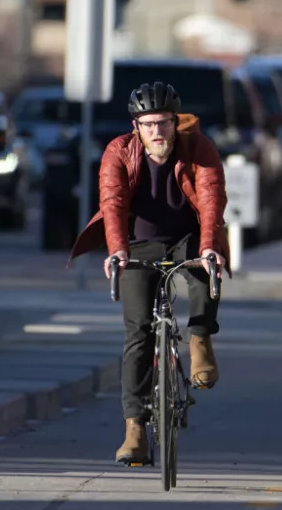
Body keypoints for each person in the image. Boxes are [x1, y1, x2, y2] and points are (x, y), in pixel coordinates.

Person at [67, 81, 230, 464]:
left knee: (206, 271)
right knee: (137, 332)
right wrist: (117, 251)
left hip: (188, 237)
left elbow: (210, 199)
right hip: (139, 244)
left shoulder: (199, 149)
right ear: (136, 127)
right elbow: (112, 201)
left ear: (176, 123)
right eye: (148, 124)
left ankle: (200, 341)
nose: (157, 131)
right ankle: (135, 429)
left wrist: (209, 246)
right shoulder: (119, 152)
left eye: (163, 123)